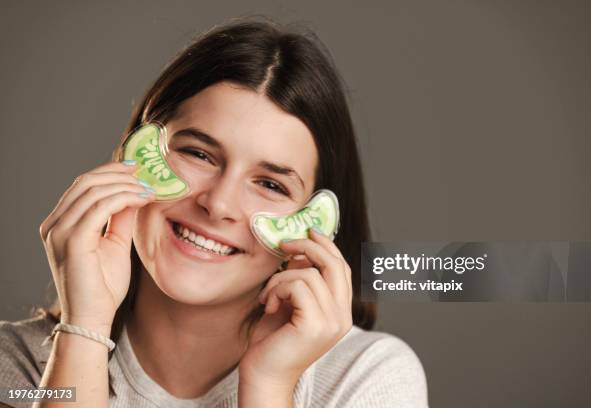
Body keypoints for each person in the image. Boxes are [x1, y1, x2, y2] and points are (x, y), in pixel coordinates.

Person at [0, 18, 428, 408]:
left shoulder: (367, 378)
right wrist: (85, 327)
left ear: (316, 223)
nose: (217, 204)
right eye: (199, 154)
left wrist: (268, 385)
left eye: (271, 184)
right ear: (138, 149)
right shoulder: (15, 364)